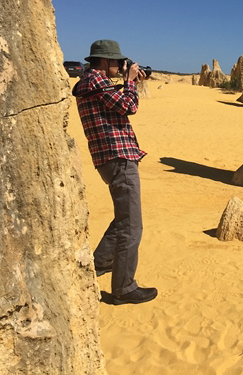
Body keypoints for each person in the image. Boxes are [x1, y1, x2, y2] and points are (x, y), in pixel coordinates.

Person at [72, 39, 157, 305]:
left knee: (124, 219)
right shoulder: (97, 82)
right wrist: (130, 81)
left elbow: (115, 101)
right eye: (117, 62)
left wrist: (129, 80)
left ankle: (100, 262)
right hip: (119, 158)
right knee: (132, 226)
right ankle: (123, 288)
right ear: (106, 61)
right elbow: (129, 106)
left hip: (109, 160)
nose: (121, 65)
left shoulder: (90, 83)